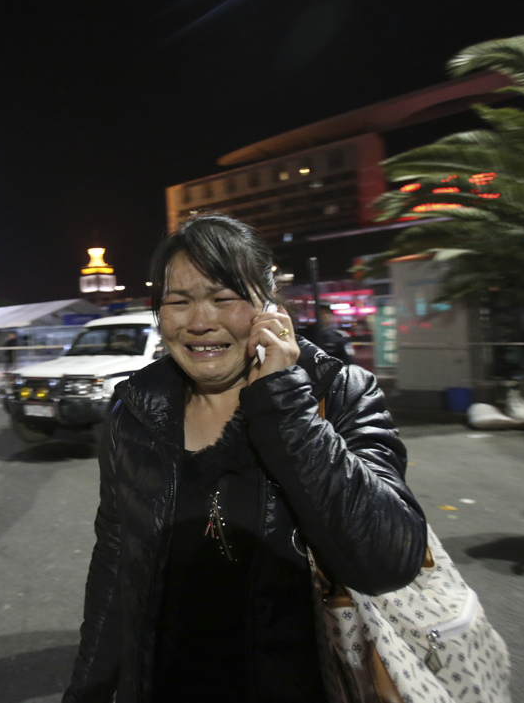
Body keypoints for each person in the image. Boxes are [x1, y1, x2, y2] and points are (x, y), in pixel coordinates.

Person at [62, 214, 427, 703]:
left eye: (224, 298)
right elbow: (114, 563)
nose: (199, 322)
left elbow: (389, 560)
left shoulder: (338, 393)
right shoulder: (135, 411)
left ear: (268, 304)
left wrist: (286, 406)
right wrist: (86, 691)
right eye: (178, 302)